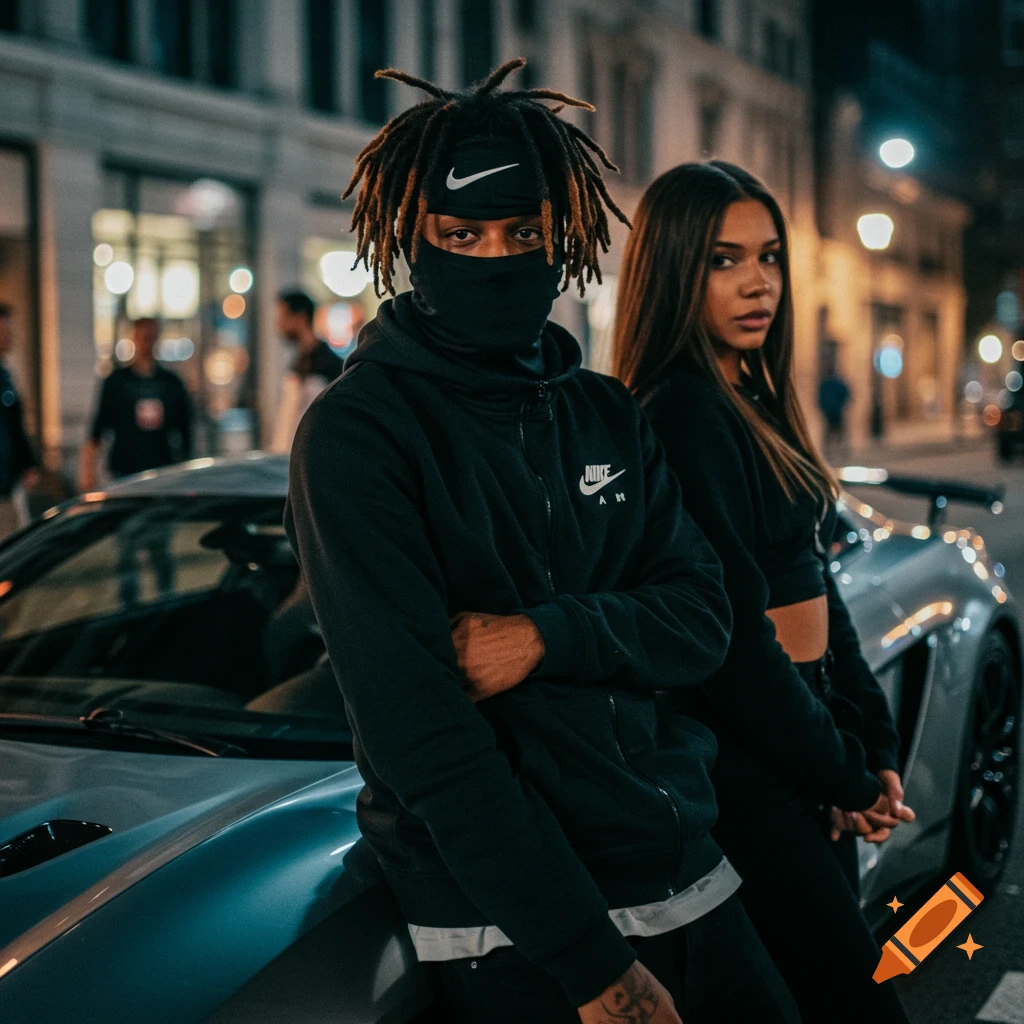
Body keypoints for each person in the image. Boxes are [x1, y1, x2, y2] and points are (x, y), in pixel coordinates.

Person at [286, 62, 801, 1024]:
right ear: (412, 239)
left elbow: (703, 616)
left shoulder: (605, 412)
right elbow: (420, 735)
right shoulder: (358, 435)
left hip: (685, 871)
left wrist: (543, 636)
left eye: (523, 232)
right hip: (515, 934)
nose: (496, 256)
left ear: (561, 236)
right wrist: (593, 967)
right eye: (462, 234)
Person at [613, 161, 915, 1024]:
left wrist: (867, 745)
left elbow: (815, 582)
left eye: (769, 256)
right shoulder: (681, 412)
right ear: (674, 269)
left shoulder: (750, 394)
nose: (759, 283)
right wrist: (840, 771)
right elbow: (736, 643)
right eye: (724, 260)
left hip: (799, 739)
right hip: (746, 763)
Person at [78, 316, 193, 490]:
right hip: (124, 470)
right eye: (142, 337)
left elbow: (185, 430)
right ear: (134, 338)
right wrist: (88, 472)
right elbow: (98, 427)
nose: (146, 342)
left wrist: (185, 470)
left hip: (162, 469)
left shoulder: (171, 383)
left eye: (150, 337)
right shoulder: (117, 382)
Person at [270, 289, 344, 454]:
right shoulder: (299, 361)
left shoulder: (329, 364)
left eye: (283, 317)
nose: (278, 324)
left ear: (300, 317)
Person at [0, 304, 40, 539]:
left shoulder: (5, 375)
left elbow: (14, 426)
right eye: (5, 330)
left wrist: (26, 464)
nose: (10, 336)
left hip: (8, 484)